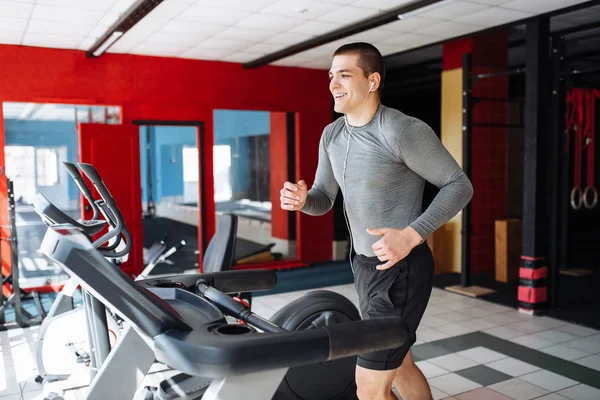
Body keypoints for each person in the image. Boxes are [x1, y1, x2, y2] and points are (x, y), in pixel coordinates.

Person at [279, 42, 473, 400]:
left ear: (372, 81)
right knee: (399, 364)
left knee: (368, 386)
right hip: (364, 267)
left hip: (401, 269)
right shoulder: (332, 135)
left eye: (345, 74)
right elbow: (324, 199)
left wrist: (412, 235)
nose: (334, 83)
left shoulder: (401, 131)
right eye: (331, 76)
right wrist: (303, 201)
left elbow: (459, 186)